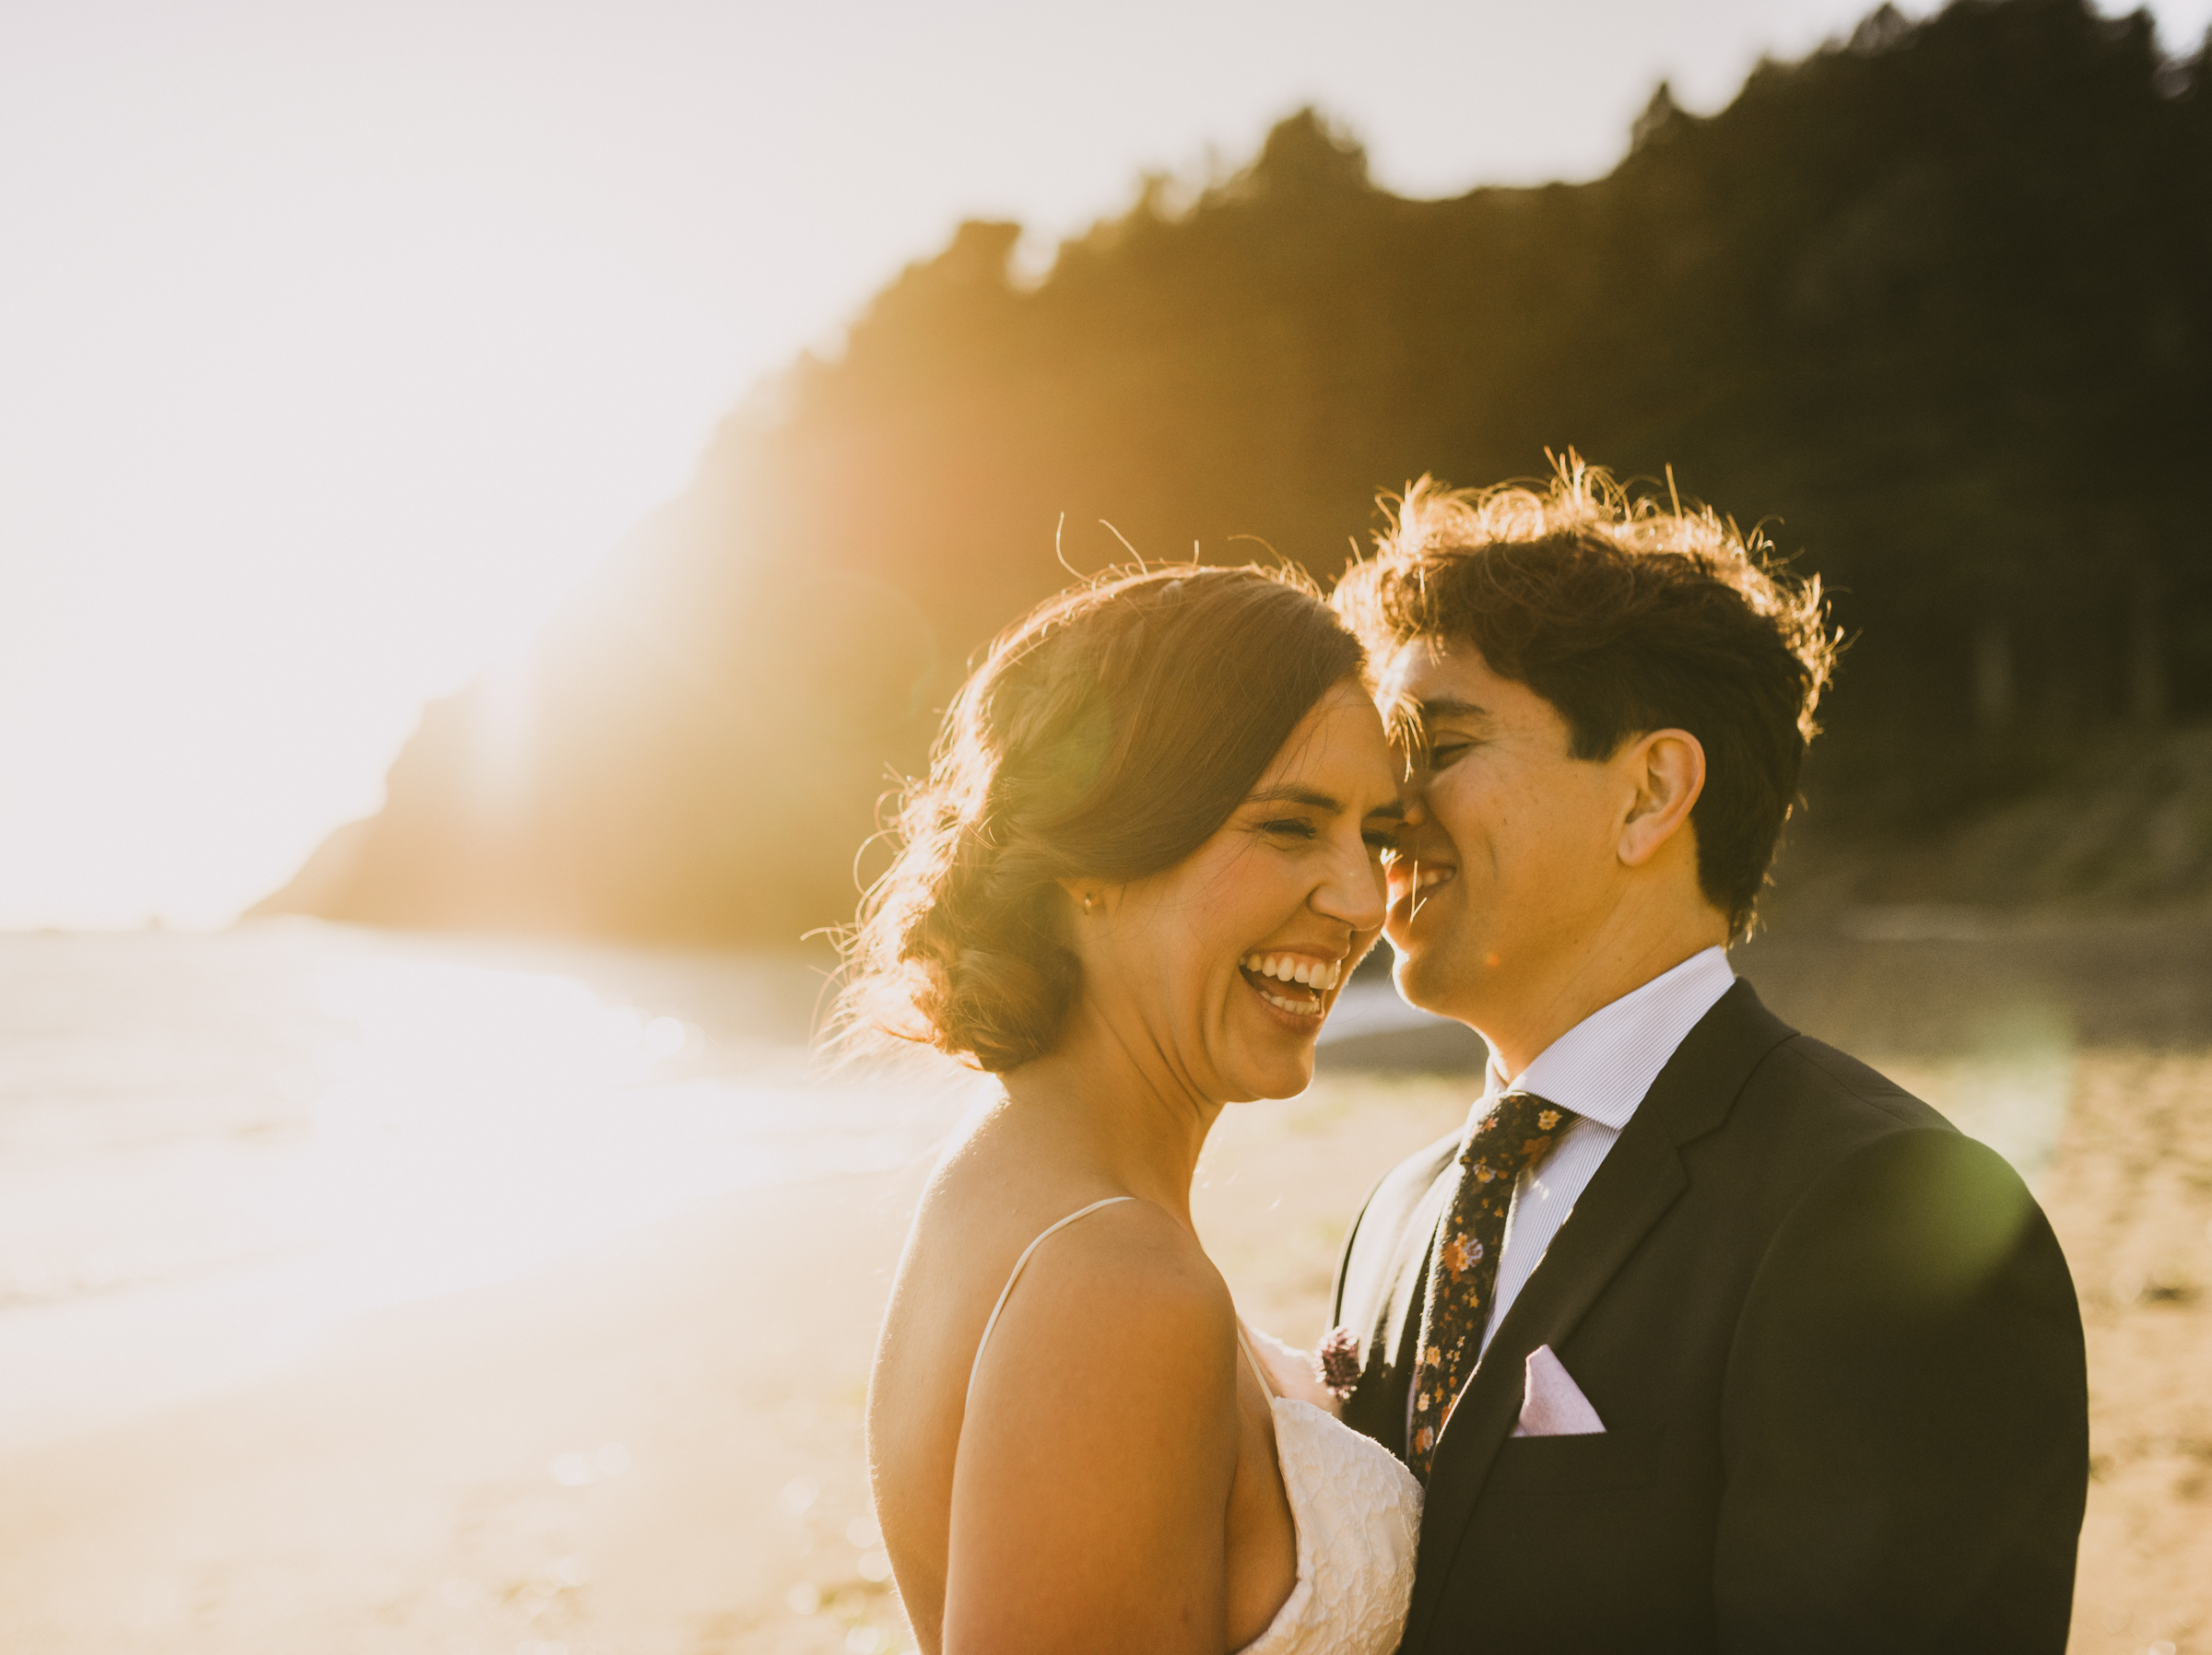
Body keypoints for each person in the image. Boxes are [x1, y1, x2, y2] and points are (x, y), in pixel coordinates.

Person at [1325, 464, 2089, 1652]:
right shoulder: (1399, 1210)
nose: (1385, 807)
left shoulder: (1882, 1207)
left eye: (1438, 743)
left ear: (1652, 790)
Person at [853, 565, 1422, 1655]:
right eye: (1292, 826)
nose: (1362, 900)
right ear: (1098, 854)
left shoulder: (1012, 1182)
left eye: (1377, 837)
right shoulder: (1115, 1283)